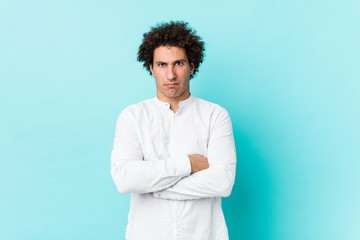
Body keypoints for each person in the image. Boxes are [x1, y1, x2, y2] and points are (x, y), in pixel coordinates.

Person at [111, 21, 237, 240]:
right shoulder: (132, 117)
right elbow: (125, 179)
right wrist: (188, 164)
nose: (170, 75)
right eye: (162, 65)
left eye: (178, 63)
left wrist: (154, 186)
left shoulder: (215, 115)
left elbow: (223, 182)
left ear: (192, 66)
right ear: (151, 68)